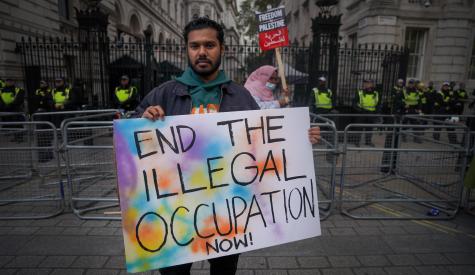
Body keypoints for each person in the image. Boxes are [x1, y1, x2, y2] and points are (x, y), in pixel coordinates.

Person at [135, 17, 321, 275]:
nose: (201, 52)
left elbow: (264, 145)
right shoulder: (163, 94)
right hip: (176, 211)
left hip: (227, 210)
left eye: (209, 45)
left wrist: (300, 139)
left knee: (224, 270)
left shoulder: (240, 96)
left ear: (222, 49)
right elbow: (133, 145)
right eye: (194, 46)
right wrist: (144, 121)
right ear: (187, 50)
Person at [352, 79, 380, 147]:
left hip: (371, 113)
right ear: (364, 84)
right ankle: (357, 142)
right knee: (359, 128)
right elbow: (354, 103)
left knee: (369, 128)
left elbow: (378, 103)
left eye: (369, 83)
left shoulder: (376, 93)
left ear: (372, 84)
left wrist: (376, 112)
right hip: (362, 113)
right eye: (366, 83)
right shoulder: (360, 92)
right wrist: (359, 110)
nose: (368, 85)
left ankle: (368, 141)